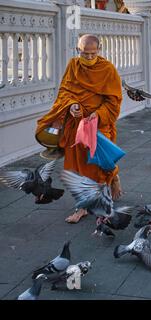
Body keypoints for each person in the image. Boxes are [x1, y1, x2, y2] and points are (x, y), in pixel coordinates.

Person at [35, 34, 123, 223]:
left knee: (100, 164)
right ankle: (83, 207)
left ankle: (112, 177)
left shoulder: (107, 69)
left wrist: (98, 114)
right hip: (75, 126)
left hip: (98, 124)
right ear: (78, 50)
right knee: (77, 169)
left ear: (99, 51)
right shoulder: (73, 66)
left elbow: (114, 101)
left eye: (92, 54)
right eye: (85, 54)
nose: (89, 58)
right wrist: (73, 105)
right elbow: (64, 92)